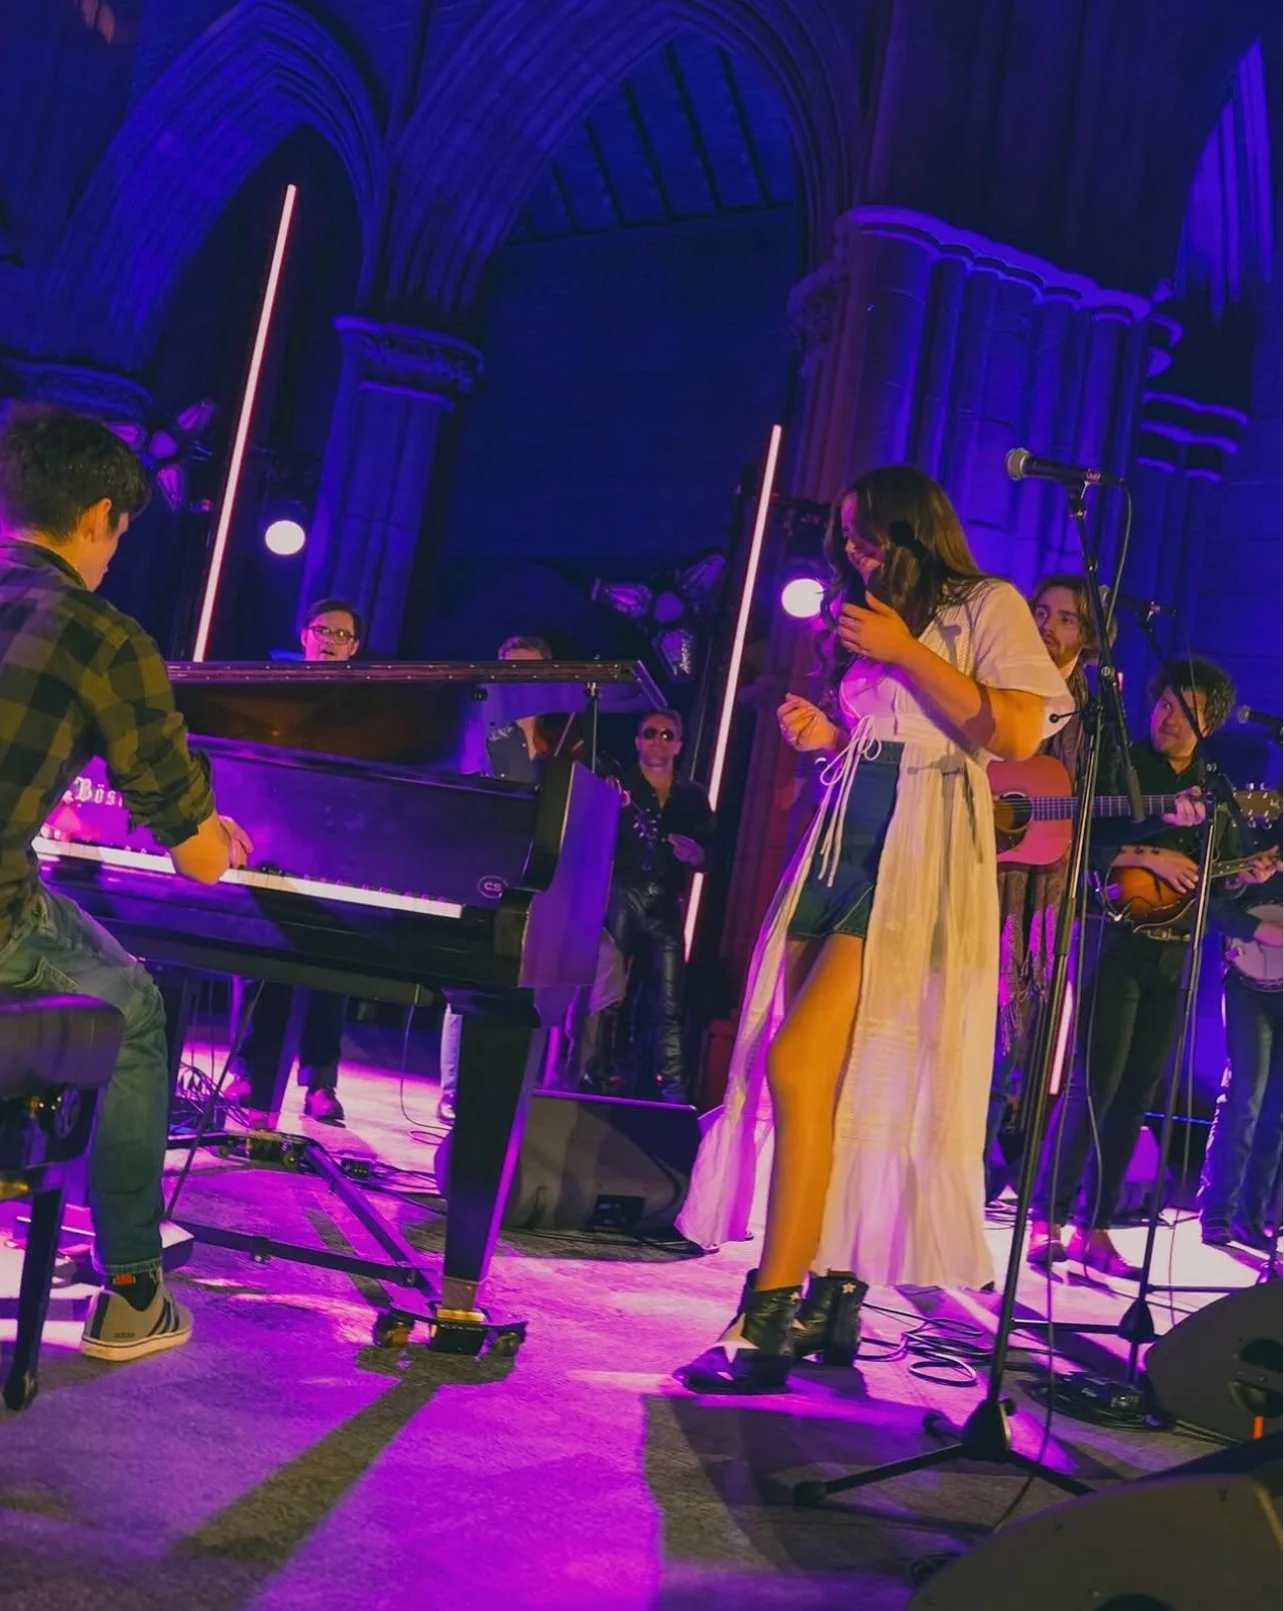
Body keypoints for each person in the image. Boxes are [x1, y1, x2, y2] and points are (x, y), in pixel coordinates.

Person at [676, 464, 1072, 1393]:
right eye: (847, 538)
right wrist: (829, 741)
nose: (853, 553)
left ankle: (767, 1315)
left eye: (867, 535)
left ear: (912, 530)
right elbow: (891, 736)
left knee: (798, 1067)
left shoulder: (986, 603)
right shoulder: (869, 618)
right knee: (832, 1078)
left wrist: (904, 650)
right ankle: (833, 1296)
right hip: (845, 840)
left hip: (919, 856)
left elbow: (1013, 734)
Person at [0, 404, 251, 1361]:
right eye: (119, 535)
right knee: (136, 1006)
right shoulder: (101, 633)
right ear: (100, 515)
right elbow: (194, 857)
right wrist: (218, 833)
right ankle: (135, 1288)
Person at [1027, 658, 1275, 1274]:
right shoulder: (1124, 765)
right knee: (1093, 1085)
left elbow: (1221, 892)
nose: (1166, 716)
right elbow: (1079, 842)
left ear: (1209, 721)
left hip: (1174, 956)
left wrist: (1249, 877)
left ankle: (1098, 1227)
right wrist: (1150, 852)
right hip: (1112, 942)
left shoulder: (1219, 795)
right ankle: (1046, 1218)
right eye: (1162, 702)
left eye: (1181, 708)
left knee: (1136, 1093)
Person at [438, 635, 625, 1121]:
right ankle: (456, 1089)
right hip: (483, 863)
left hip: (541, 873)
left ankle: (545, 1085)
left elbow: (578, 801)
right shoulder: (478, 726)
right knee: (471, 973)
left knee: (580, 967)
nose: (521, 680)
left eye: (532, 671)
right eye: (511, 669)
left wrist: (604, 801)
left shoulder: (566, 735)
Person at [224, 597, 364, 1125]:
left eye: (342, 635)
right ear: (303, 634)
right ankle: (246, 1071)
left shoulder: (368, 706)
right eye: (322, 630)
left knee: (332, 959)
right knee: (258, 957)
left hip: (334, 845)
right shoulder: (272, 692)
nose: (330, 640)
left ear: (355, 648)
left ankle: (321, 1081)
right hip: (273, 835)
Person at [985, 574, 1097, 1198]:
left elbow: (1092, 795)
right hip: (979, 872)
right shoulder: (1001, 678)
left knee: (1017, 1034)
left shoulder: (1095, 709)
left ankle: (989, 1169)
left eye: (1067, 619)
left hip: (1044, 891)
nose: (1050, 627)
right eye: (1041, 612)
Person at [586, 709, 715, 1104]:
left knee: (668, 1000)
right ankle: (596, 1078)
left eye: (666, 734)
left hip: (665, 903)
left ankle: (671, 1094)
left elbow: (714, 853)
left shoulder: (692, 795)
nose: (658, 740)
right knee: (606, 994)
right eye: (650, 733)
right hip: (620, 894)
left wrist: (696, 855)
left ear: (677, 744)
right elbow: (588, 837)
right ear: (638, 740)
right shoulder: (617, 784)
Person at [1199, 856, 1283, 1249]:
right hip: (1247, 984)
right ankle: (1219, 1214)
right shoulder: (1251, 831)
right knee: (1244, 1099)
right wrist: (1258, 929)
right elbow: (1210, 901)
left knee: (1277, 1112)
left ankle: (1253, 1218)